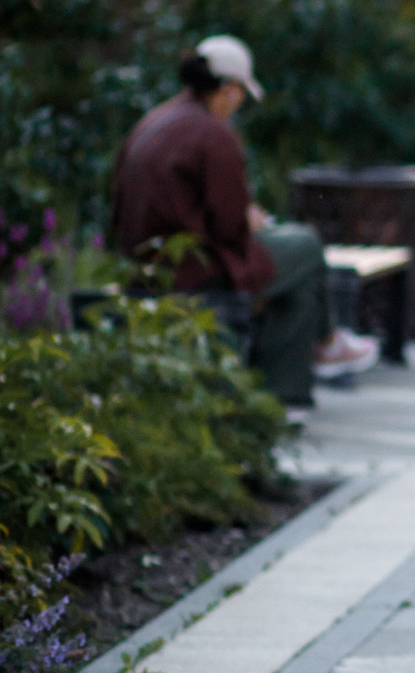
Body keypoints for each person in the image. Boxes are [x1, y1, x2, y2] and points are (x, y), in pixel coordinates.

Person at [108, 35, 377, 407]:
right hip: (195, 266)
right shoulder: (213, 133)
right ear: (230, 90)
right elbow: (231, 224)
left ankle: (291, 396)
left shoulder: (156, 119)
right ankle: (323, 349)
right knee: (307, 246)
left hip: (148, 263)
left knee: (300, 290)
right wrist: (252, 221)